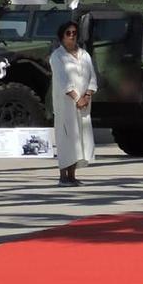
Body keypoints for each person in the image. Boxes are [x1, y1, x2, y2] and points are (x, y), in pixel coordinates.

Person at [50, 20, 96, 185]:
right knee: (66, 137)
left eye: (74, 33)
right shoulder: (57, 56)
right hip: (66, 105)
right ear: (62, 36)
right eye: (68, 33)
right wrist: (77, 98)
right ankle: (63, 176)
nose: (72, 36)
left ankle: (72, 175)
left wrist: (87, 95)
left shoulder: (84, 54)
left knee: (80, 138)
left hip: (83, 104)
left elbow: (92, 76)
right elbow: (63, 80)